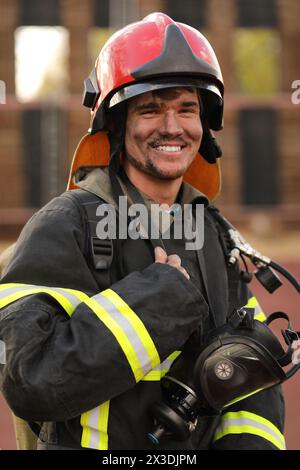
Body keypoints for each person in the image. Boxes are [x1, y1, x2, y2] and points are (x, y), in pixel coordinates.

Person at [0, 13, 285, 450]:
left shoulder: (214, 233)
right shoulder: (66, 225)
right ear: (114, 125)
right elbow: (31, 380)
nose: (172, 127)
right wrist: (154, 305)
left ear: (204, 126)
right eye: (151, 109)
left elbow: (250, 375)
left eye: (187, 109)